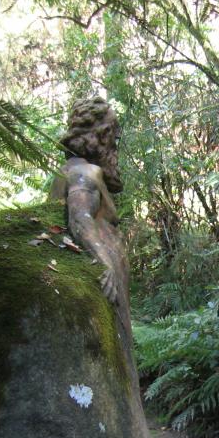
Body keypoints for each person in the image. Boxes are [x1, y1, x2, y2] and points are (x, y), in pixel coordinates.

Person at [50, 97, 133, 346]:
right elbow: (79, 217)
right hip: (102, 294)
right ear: (102, 136)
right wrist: (104, 262)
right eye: (114, 138)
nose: (115, 147)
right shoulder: (84, 173)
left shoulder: (66, 170)